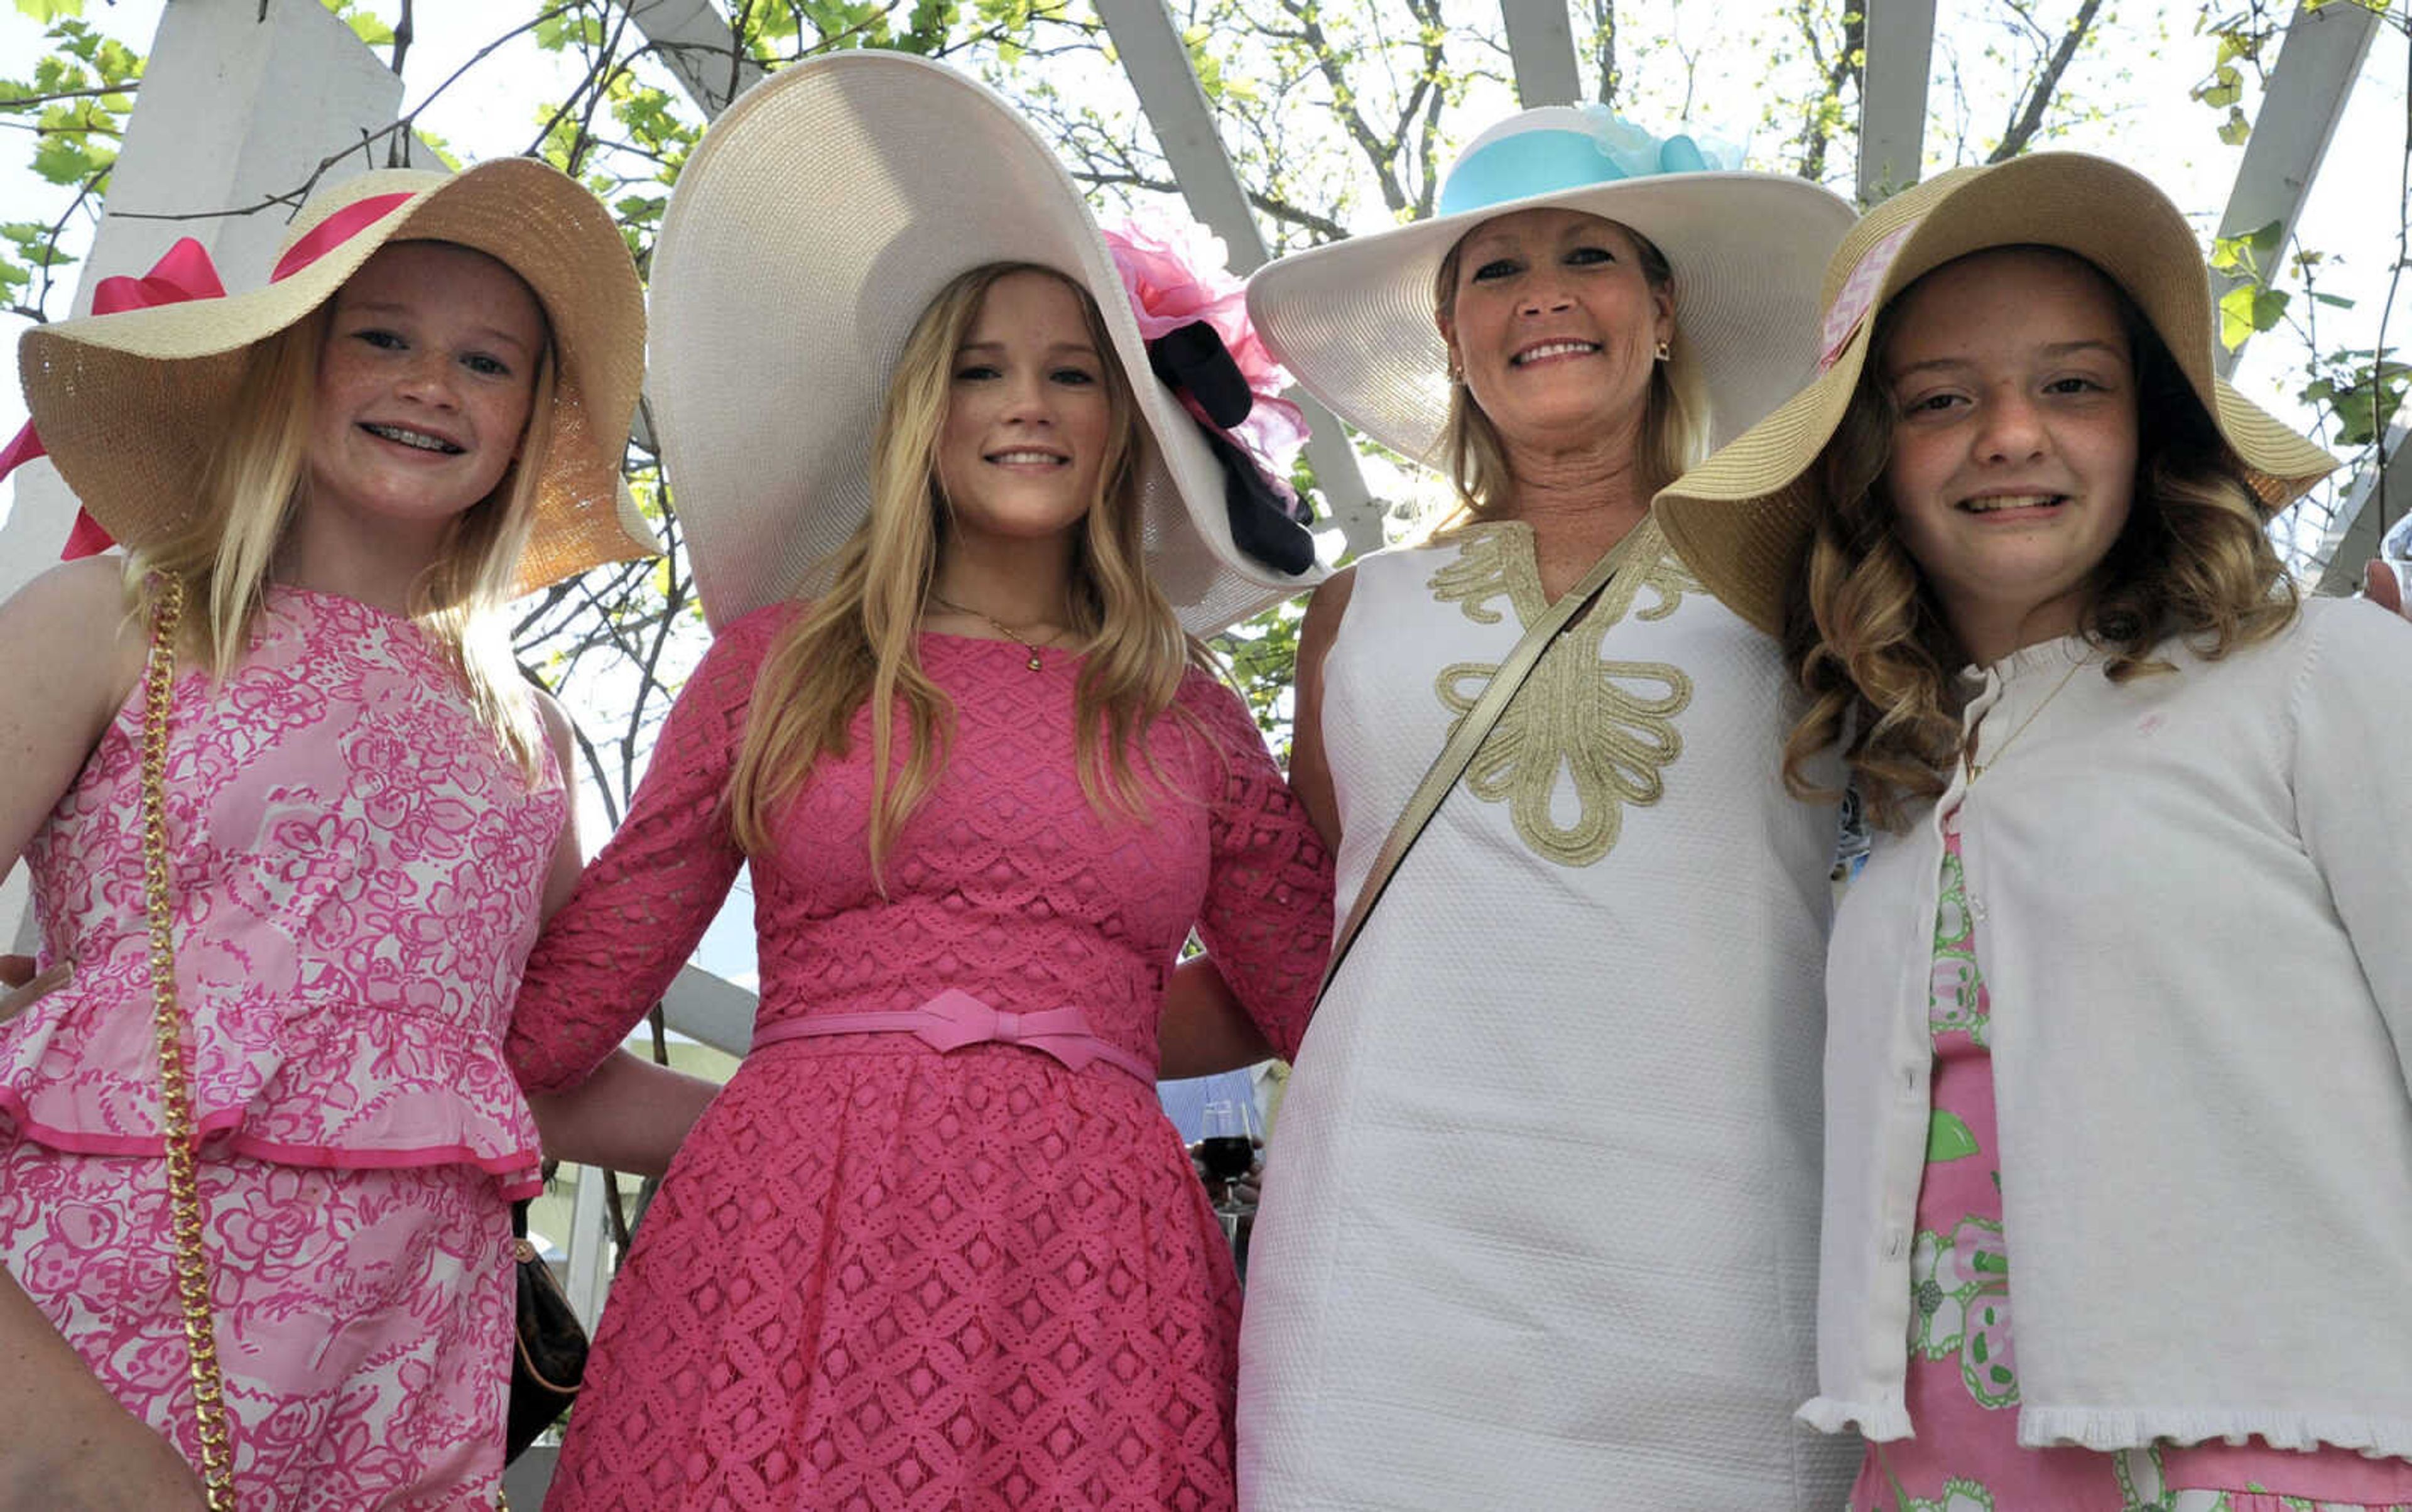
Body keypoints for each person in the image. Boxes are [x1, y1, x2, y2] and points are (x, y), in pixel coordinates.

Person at [499, 53, 1332, 1509]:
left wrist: (1097, 1018)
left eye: (1075, 372)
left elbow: (1316, 989)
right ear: (918, 413)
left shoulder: (1188, 710)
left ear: (1127, 422)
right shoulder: (776, 665)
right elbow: (567, 1008)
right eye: (980, 368)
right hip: (784, 1222)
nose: (1029, 406)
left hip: (1094, 1260)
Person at [1656, 151, 2412, 1511]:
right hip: (1937, 1478)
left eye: (2073, 383)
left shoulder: (2322, 672)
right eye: (1941, 401)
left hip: (2290, 1455)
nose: (2011, 433)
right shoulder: (1894, 794)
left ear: (2150, 430)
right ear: (1875, 468)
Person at [0, 162, 709, 1508]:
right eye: (380, 334)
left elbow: (540, 1067)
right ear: (286, 368)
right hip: (91, 1335)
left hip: (396, 1364)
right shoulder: (115, 616)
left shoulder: (528, 739)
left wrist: (817, 1109)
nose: (432, 381)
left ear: (526, 428)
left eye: (485, 360)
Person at [1225, 106, 1861, 1508]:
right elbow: (1296, 933)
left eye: (1590, 253)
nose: (1546, 294)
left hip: (1728, 1250)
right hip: (1385, 1264)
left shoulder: (1816, 581)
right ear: (1452, 335)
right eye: (1495, 271)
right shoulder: (1352, 615)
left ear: (1663, 311)